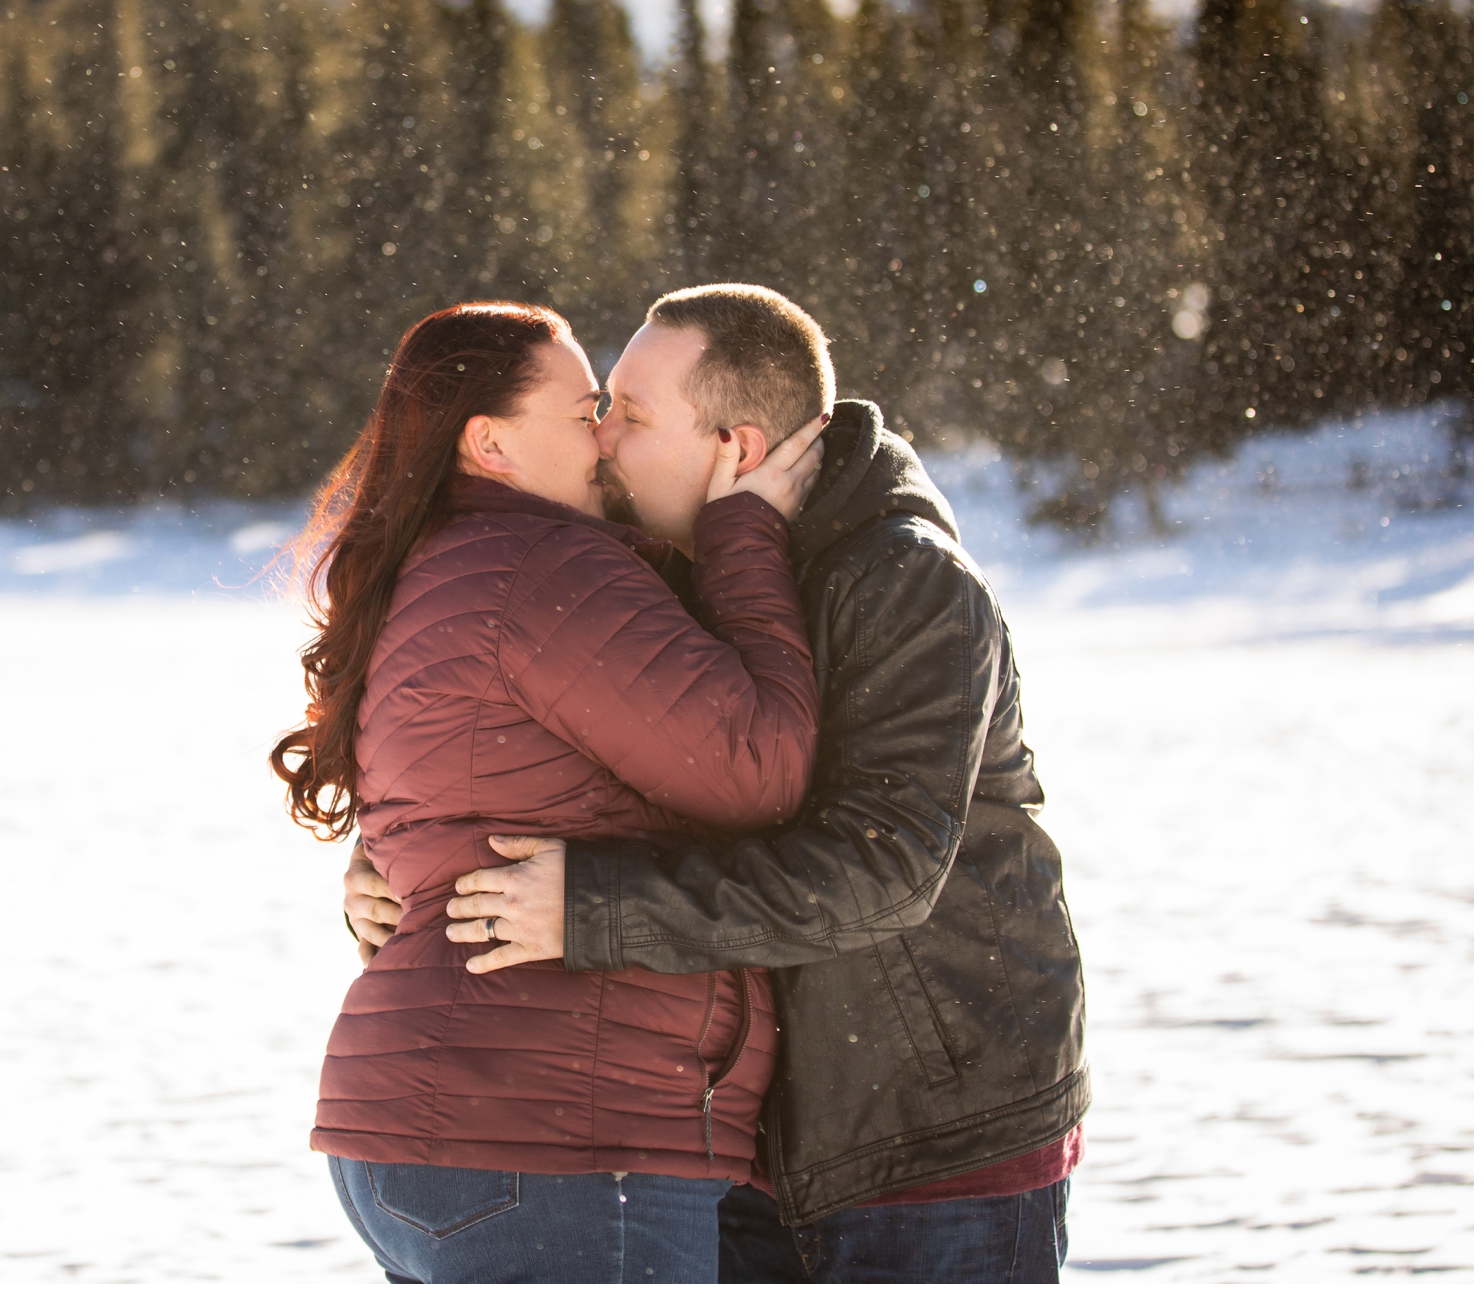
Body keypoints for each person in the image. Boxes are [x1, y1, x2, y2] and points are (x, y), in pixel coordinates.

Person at [344, 284, 1089, 1283]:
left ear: (735, 448)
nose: (603, 439)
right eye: (598, 410)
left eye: (631, 414)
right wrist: (411, 862)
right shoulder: (677, 567)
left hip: (925, 1146)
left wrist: (594, 907)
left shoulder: (906, 583)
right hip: (727, 1142)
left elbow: (884, 871)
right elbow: (537, 748)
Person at [272, 300, 830, 1284]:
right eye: (582, 413)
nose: (604, 438)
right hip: (550, 1131)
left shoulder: (447, 564)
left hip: (438, 1125)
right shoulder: (539, 565)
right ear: (491, 441)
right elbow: (758, 764)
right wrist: (741, 535)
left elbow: (451, 807)